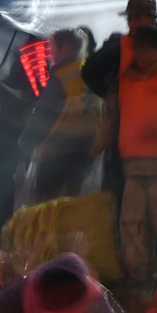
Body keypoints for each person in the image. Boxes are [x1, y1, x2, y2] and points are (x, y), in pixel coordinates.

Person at [90, 24, 157, 282]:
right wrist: (95, 148)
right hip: (134, 168)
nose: (137, 54)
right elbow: (112, 117)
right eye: (136, 48)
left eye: (142, 48)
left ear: (156, 49)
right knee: (131, 226)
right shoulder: (125, 80)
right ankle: (137, 280)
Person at [15, 28, 102, 205]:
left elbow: (42, 119)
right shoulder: (90, 74)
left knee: (47, 212)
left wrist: (24, 144)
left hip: (55, 160)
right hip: (85, 158)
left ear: (63, 48)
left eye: (53, 46)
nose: (51, 53)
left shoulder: (61, 79)